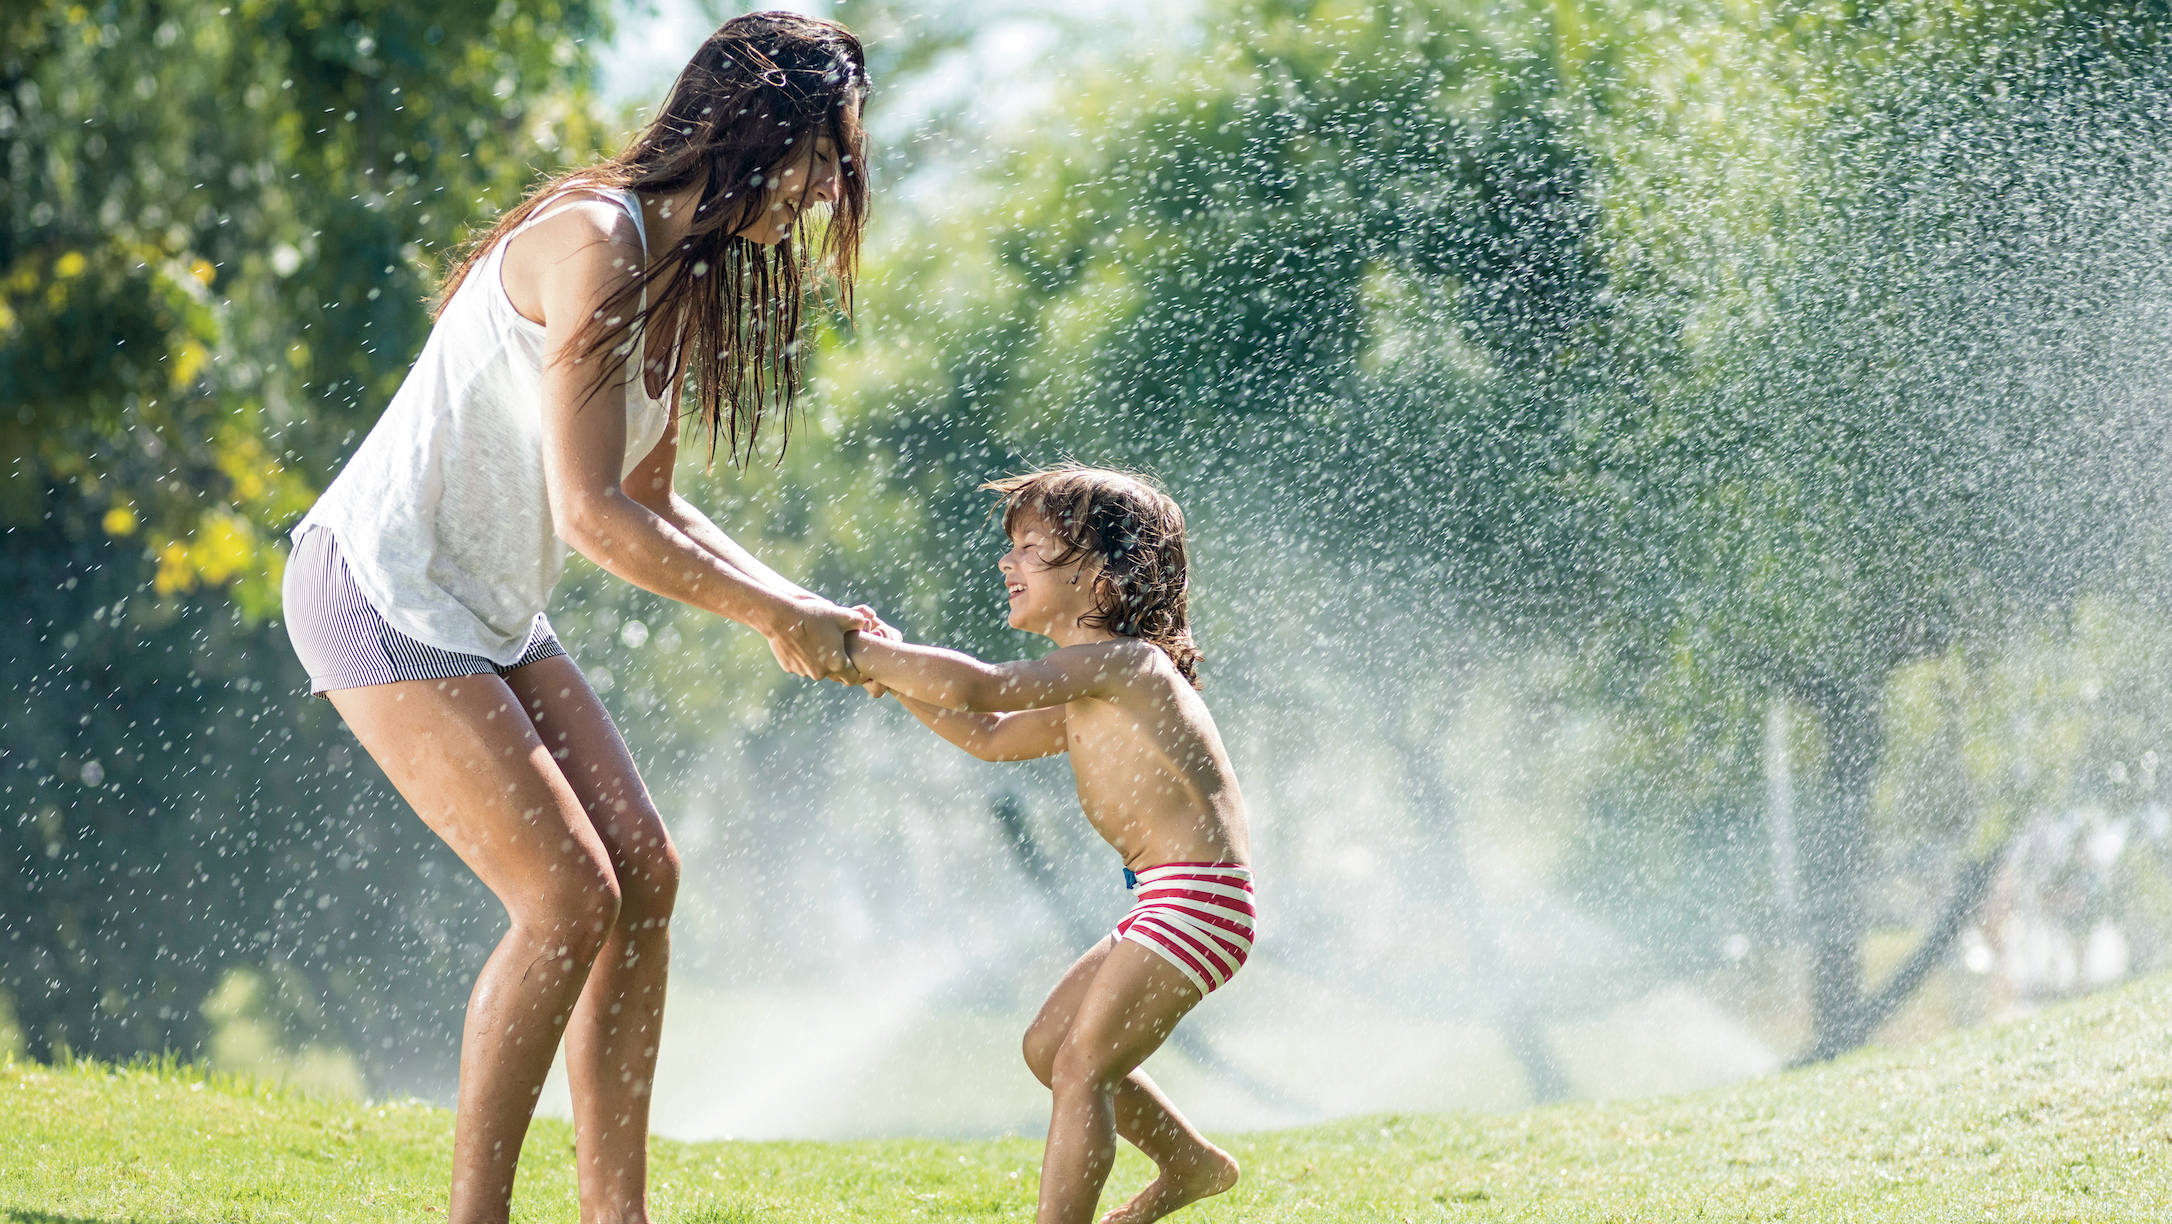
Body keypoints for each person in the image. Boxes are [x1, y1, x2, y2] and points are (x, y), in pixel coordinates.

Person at [280, 14, 883, 1223]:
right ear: (748, 123)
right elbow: (595, 518)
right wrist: (776, 618)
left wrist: (799, 605)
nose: (824, 192)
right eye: (820, 157)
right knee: (567, 898)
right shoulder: (597, 239)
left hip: (486, 609)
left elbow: (652, 495)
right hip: (380, 585)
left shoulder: (673, 274)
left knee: (644, 872)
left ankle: (618, 1213)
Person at [842, 465, 1254, 1224]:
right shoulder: (1087, 690)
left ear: (1102, 579)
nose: (1008, 561)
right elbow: (989, 735)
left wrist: (862, 653)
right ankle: (1192, 1164)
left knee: (1082, 1067)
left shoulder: (1131, 668)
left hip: (1198, 901)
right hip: (1167, 902)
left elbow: (981, 687)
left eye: (1032, 547)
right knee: (1049, 1049)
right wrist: (895, 675)